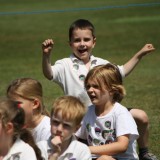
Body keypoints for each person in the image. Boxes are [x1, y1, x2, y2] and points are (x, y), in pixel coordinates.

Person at [41, 19, 157, 160]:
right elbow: (49, 73)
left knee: (141, 116)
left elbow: (121, 71)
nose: (82, 43)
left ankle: (144, 152)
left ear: (94, 42)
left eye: (86, 39)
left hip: (106, 109)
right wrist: (46, 56)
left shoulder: (102, 63)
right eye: (77, 40)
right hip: (83, 115)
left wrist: (140, 54)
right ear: (70, 43)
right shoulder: (65, 64)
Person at [76, 63, 139, 159]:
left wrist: (86, 149)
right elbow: (74, 135)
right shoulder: (88, 112)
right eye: (88, 86)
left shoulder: (120, 113)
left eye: (96, 86)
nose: (90, 90)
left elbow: (122, 146)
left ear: (112, 89)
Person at [37, 95, 92, 160]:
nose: (59, 129)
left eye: (66, 125)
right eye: (56, 122)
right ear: (50, 121)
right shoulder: (40, 148)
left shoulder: (82, 151)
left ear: (76, 129)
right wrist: (54, 155)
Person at [6, 77, 51, 143]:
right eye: (9, 104)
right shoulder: (17, 126)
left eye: (16, 104)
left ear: (35, 104)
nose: (10, 108)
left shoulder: (47, 130)